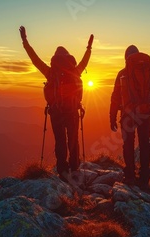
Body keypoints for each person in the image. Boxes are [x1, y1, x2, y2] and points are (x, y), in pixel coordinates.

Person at [19, 26, 94, 181]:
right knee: (73, 140)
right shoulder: (74, 72)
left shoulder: (50, 72)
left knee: (60, 141)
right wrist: (89, 47)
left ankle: (62, 169)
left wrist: (25, 41)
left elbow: (34, 59)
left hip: (56, 112)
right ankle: (75, 167)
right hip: (72, 111)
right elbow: (85, 61)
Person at [109, 28, 150, 189]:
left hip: (128, 115)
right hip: (145, 114)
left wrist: (112, 117)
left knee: (128, 144)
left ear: (126, 58)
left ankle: (129, 177)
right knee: (144, 144)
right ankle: (144, 178)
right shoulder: (148, 69)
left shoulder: (122, 73)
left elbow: (115, 97)